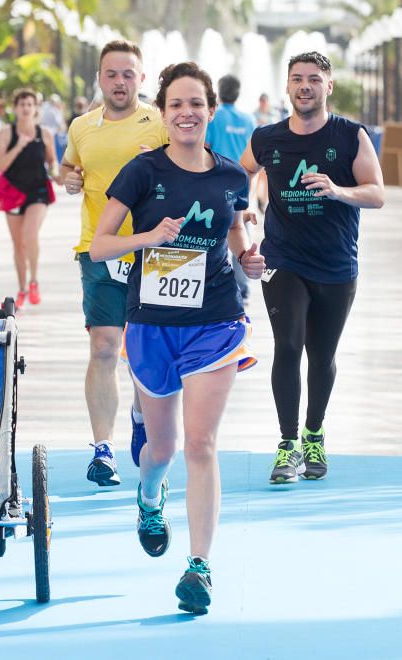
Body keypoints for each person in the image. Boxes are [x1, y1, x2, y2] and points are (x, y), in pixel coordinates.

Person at [90, 61, 264, 615]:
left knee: (201, 443)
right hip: (152, 325)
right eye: (176, 105)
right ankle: (149, 496)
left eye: (196, 104)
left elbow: (236, 228)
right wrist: (150, 235)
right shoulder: (141, 172)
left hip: (216, 319)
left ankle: (200, 567)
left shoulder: (231, 176)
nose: (187, 113)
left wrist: (247, 260)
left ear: (212, 111)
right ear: (163, 114)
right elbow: (99, 246)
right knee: (160, 448)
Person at [239, 51, 385, 484]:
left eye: (314, 79)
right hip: (283, 259)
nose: (306, 86)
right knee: (288, 346)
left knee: (322, 356)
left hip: (337, 263)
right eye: (298, 79)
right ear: (287, 86)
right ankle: (287, 445)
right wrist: (246, 207)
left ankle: (314, 433)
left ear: (329, 86)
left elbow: (376, 193)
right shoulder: (266, 137)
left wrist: (338, 190)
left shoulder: (350, 135)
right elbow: (240, 173)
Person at [59, 39, 167, 485]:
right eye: (111, 74)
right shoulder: (82, 126)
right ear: (100, 78)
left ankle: (142, 418)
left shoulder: (161, 122)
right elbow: (70, 168)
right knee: (104, 347)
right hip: (98, 249)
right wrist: (69, 178)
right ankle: (103, 449)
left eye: (128, 74)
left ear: (141, 79)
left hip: (154, 250)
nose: (120, 81)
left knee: (143, 351)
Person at [0, 88, 58, 308]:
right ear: (15, 108)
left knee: (30, 233)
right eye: (22, 104)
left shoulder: (45, 133)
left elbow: (52, 162)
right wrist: (19, 145)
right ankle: (21, 288)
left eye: (30, 104)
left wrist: (58, 175)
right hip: (13, 191)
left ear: (35, 108)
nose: (26, 108)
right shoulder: (6, 133)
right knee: (18, 244)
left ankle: (34, 281)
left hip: (38, 190)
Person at [207, 74, 257, 304]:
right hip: (241, 186)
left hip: (214, 184)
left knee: (214, 236)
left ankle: (214, 284)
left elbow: (204, 148)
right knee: (241, 234)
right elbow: (256, 160)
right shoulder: (248, 120)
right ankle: (242, 288)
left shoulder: (213, 118)